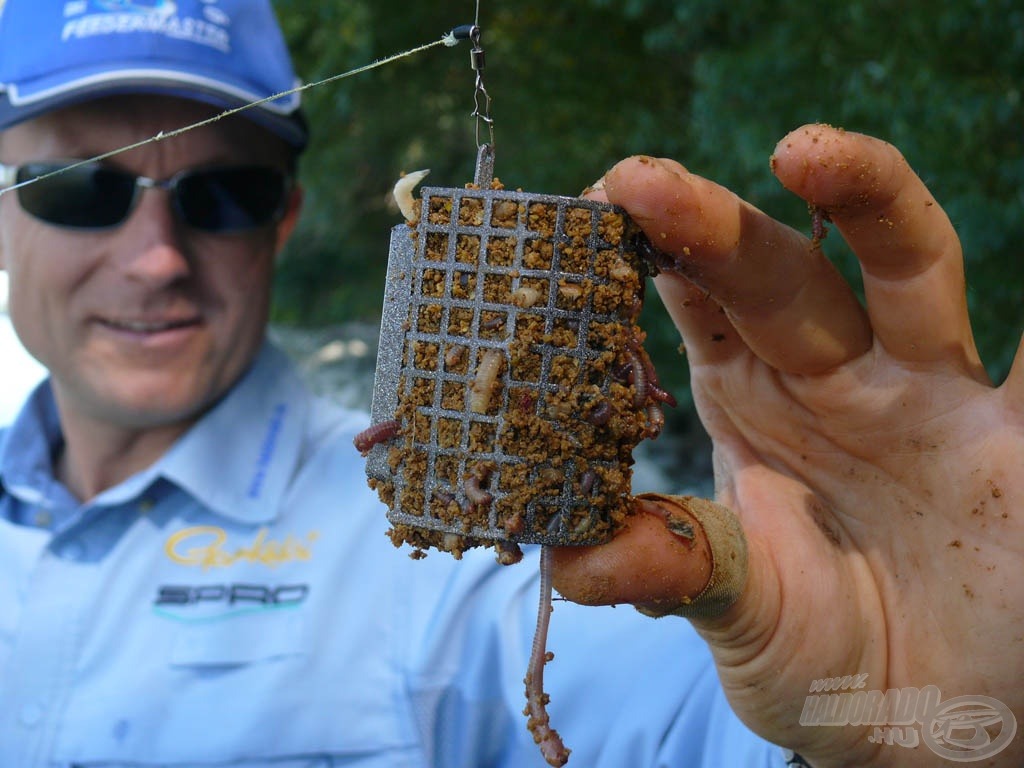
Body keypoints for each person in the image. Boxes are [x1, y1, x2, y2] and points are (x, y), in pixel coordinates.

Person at [0, 4, 1019, 768]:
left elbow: (693, 716)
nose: (154, 260)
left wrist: (897, 707)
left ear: (287, 217)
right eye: (77, 188)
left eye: (226, 192)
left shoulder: (460, 552)